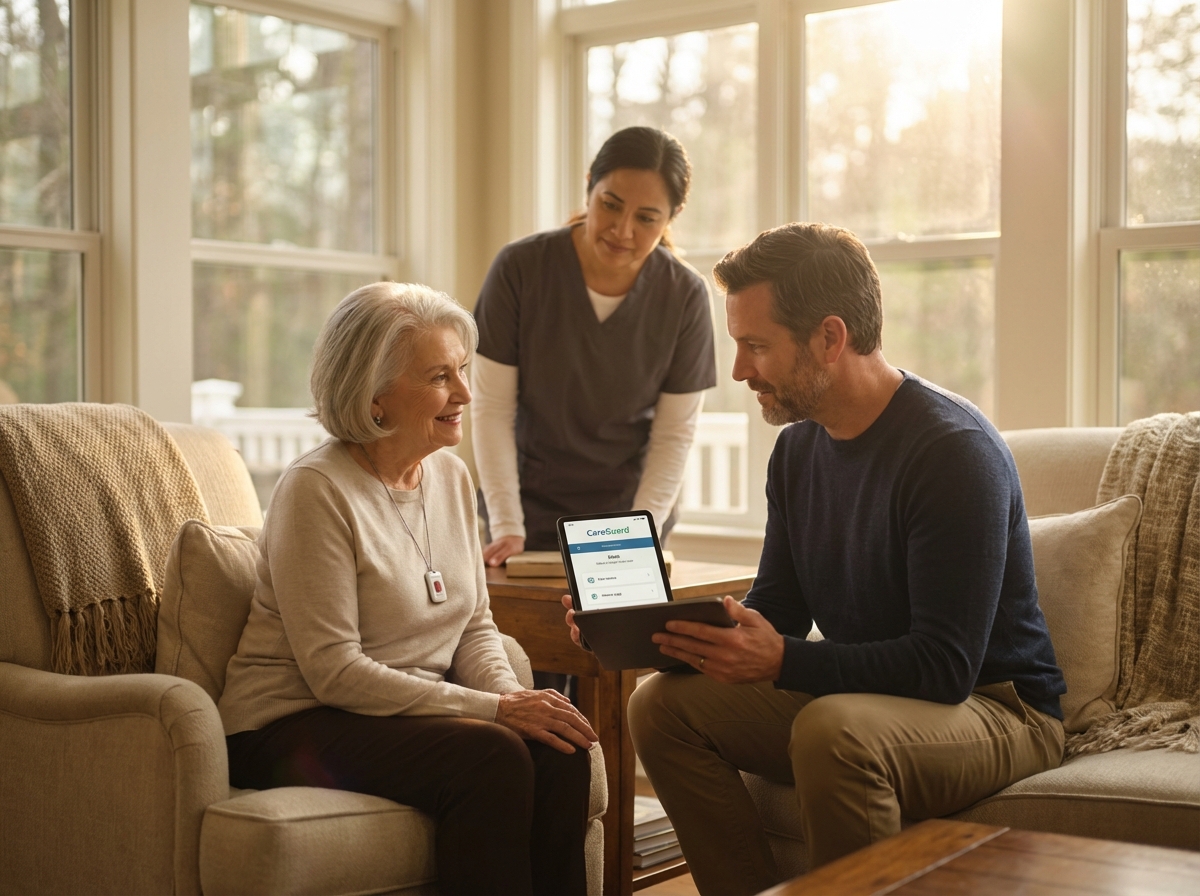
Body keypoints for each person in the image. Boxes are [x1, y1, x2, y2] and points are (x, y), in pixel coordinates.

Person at [563, 224, 1068, 896]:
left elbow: (945, 668)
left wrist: (783, 660)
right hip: (878, 697)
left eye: (756, 346)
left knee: (834, 731)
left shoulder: (951, 452)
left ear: (830, 338)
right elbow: (778, 610)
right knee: (660, 706)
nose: (739, 371)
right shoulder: (799, 452)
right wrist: (650, 633)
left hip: (1000, 709)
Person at [218, 282, 598, 896]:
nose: (465, 394)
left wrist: (515, 702)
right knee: (490, 757)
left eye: (463, 370)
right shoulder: (317, 489)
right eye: (440, 377)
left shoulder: (447, 475)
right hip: (290, 723)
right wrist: (496, 711)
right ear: (375, 398)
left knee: (559, 746)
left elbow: (474, 624)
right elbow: (334, 672)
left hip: (395, 714)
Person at [471, 125, 717, 566]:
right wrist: (507, 524)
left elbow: (674, 434)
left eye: (646, 218)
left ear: (671, 217)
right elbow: (491, 408)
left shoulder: (685, 296)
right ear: (589, 187)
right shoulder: (519, 269)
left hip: (630, 509)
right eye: (611, 205)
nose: (622, 231)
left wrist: (640, 531)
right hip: (526, 511)